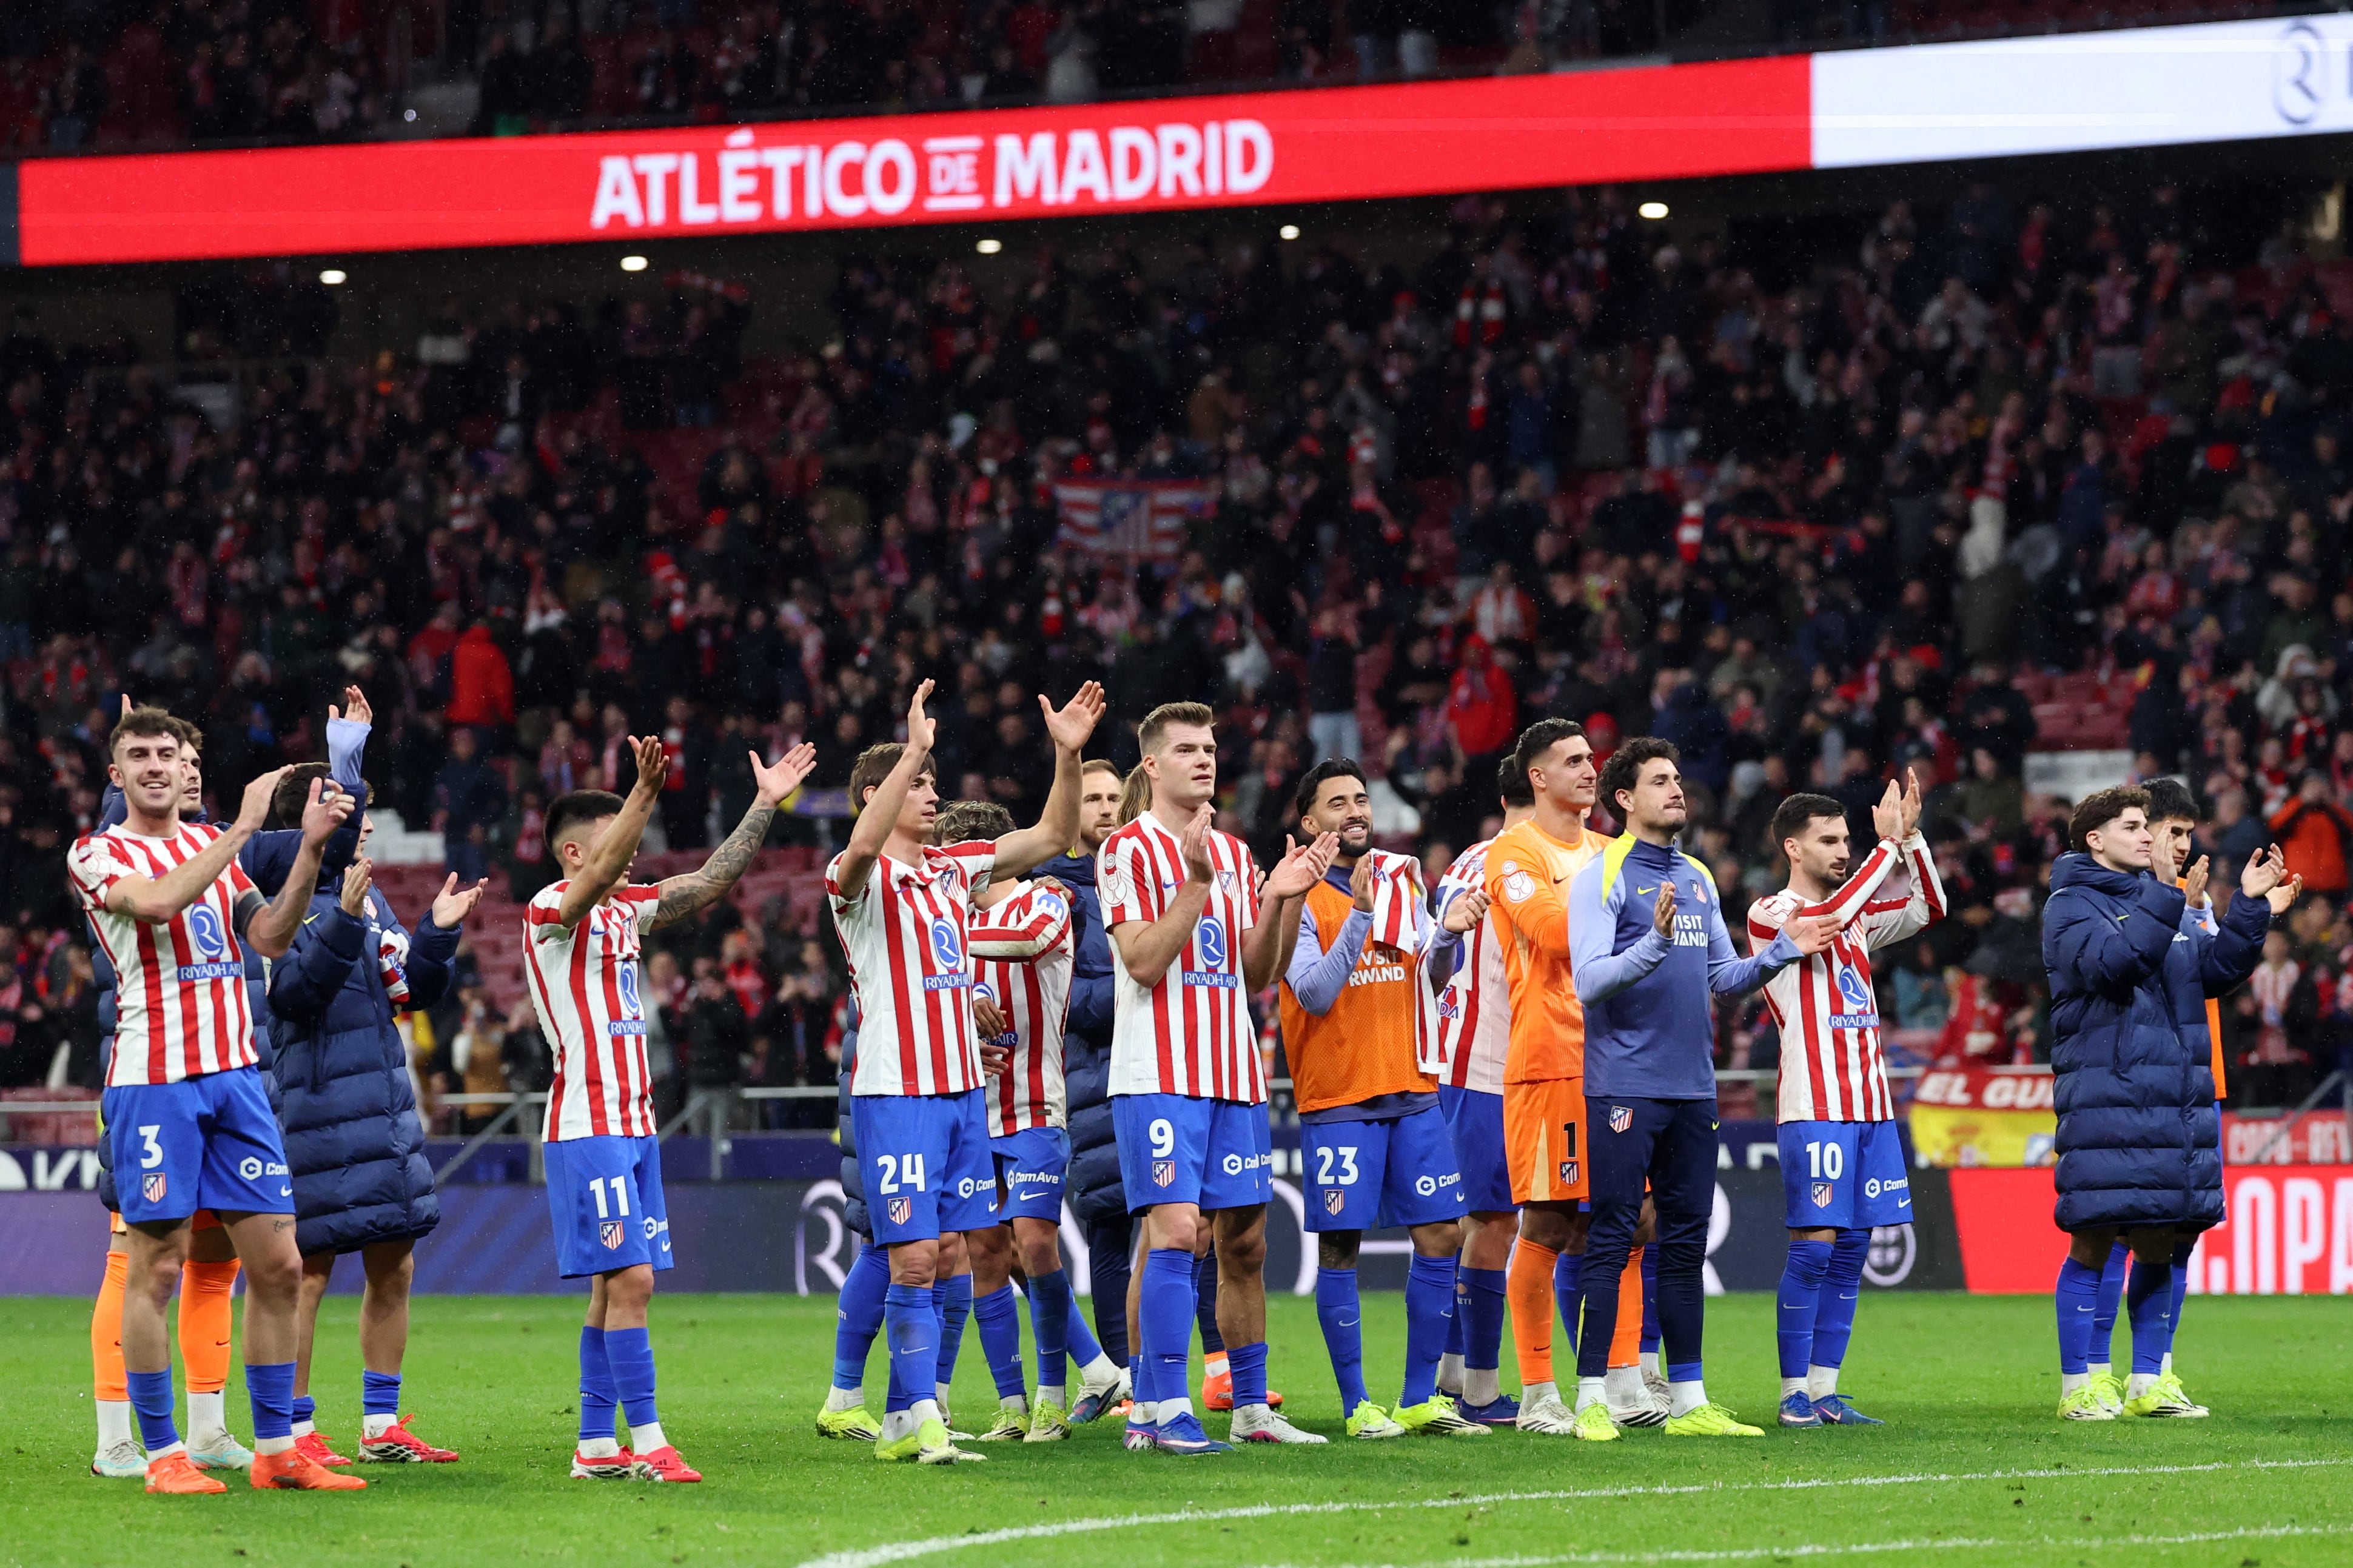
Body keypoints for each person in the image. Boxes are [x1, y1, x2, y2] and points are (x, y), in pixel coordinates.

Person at [70, 707, 358, 1493]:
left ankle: (275, 1451)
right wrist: (252, 823)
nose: (159, 764)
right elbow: (159, 903)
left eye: (169, 751)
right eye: (141, 754)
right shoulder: (95, 852)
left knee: (278, 1263)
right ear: (117, 774)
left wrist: (308, 851)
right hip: (153, 1083)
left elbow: (266, 935)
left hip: (237, 1080)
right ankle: (161, 1456)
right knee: (155, 1267)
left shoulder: (211, 845)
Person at [529, 730, 818, 1482]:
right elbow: (592, 885)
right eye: (614, 841)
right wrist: (643, 793)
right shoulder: (551, 907)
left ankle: (595, 1446)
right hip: (586, 1124)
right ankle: (651, 1440)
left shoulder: (627, 912)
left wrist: (763, 804)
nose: (630, 854)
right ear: (572, 853)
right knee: (634, 1283)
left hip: (633, 1124)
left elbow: (711, 881)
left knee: (610, 1286)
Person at [828, 679, 1103, 1465]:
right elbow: (854, 860)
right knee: (915, 1256)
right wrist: (908, 747)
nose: (932, 791)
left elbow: (1055, 829)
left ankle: (900, 1417)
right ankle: (917, 1415)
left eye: (931, 777)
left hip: (964, 1096)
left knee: (949, 1254)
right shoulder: (862, 879)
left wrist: (1068, 752)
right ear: (878, 794)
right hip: (899, 1091)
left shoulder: (955, 869)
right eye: (918, 781)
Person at [1567, 737, 1833, 1439]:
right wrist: (1652, 943)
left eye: (1678, 778)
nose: (1677, 789)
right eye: (1660, 781)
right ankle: (1592, 1397)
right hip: (1623, 1084)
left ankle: (1687, 1400)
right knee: (1613, 1236)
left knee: (1684, 1244)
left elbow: (1721, 979)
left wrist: (1781, 951)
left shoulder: (1696, 876)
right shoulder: (1600, 874)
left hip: (1693, 1089)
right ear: (1624, 799)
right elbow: (1588, 982)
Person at [1104, 700, 1332, 1455]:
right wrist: (1195, 885)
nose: (1205, 759)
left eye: (1209, 748)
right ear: (1152, 765)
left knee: (1245, 1248)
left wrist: (1283, 901)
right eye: (1187, 750)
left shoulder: (1235, 853)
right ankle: (1162, 1408)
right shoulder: (1126, 851)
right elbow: (1141, 961)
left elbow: (1259, 971)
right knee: (1175, 1233)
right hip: (1159, 1072)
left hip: (1233, 1073)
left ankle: (1250, 1409)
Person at [2041, 786, 2281, 1421]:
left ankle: (2147, 1381)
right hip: (2106, 1100)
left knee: (2157, 1243)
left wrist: (2249, 908)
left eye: (2147, 827)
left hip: (2171, 1105)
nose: (2147, 837)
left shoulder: (2162, 902)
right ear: (2094, 839)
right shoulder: (2070, 906)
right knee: (2092, 1241)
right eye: (2131, 827)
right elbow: (2119, 963)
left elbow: (2215, 973)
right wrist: (2163, 892)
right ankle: (2079, 1386)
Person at [266, 782, 487, 1464]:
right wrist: (343, 919)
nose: (362, 831)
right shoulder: (274, 900)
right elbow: (295, 998)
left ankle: (381, 1427)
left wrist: (437, 933)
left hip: (383, 1105)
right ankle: (295, 1431)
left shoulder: (368, 896)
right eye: (349, 820)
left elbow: (407, 990)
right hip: (314, 1105)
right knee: (307, 1271)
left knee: (395, 1264)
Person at [1280, 758, 1489, 1438]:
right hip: (1339, 1093)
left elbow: (1427, 980)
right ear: (1310, 822)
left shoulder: (1403, 876)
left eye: (1361, 798)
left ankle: (1417, 1398)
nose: (1356, 811)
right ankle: (1355, 1405)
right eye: (1337, 802)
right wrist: (1359, 918)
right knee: (1341, 1243)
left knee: (1441, 1234)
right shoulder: (1291, 896)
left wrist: (1449, 934)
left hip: (1412, 1086)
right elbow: (1312, 992)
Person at [1747, 777, 1944, 1428]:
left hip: (1870, 1106)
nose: (1841, 850)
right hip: (1815, 1105)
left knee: (1854, 1246)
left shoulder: (1856, 916)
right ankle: (1790, 1394)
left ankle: (1825, 1391)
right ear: (1792, 848)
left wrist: (1910, 840)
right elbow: (1826, 923)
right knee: (1813, 1248)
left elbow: (1928, 908)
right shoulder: (1771, 913)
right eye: (1828, 840)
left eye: (1846, 839)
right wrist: (1884, 849)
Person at [933, 799, 1127, 1441]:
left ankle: (1052, 1394)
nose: (945, 868)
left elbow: (1030, 945)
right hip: (972, 1110)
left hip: (1037, 1105)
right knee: (987, 1254)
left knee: (1036, 1242)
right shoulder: (948, 925)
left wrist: (941, 949)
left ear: (984, 851)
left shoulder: (1044, 901)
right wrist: (965, 992)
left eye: (954, 853)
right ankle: (1013, 1407)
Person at [2084, 777, 2226, 1416]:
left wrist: (2222, 912)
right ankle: (2094, 1372)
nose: (2176, 847)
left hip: (2199, 1085)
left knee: (2177, 1237)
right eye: (2168, 834)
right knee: (2116, 1232)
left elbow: (2216, 977)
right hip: (2140, 1092)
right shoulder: (2129, 905)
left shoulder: (2189, 906)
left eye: (2184, 836)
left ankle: (2156, 1369)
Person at [1431, 752, 1533, 1426]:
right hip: (1490, 1066)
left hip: (1457, 1063)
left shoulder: (1465, 860)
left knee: (1475, 1224)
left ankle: (1449, 1374)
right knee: (1494, 1224)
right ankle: (1480, 1390)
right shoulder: (1512, 863)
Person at [1041, 757, 1136, 1420]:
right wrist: (1137, 989)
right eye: (1092, 798)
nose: (1104, 807)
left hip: (1161, 1070)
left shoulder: (1147, 874)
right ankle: (1118, 1378)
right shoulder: (1056, 889)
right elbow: (1063, 1000)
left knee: (1195, 1229)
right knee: (1108, 1236)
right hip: (1091, 1084)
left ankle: (1209, 1371)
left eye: (1113, 797)